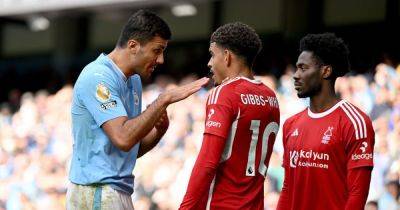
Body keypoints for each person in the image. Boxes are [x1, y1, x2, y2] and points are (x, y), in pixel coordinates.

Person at [66, 10, 209, 210]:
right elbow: (123, 138)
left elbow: (131, 148)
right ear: (133, 46)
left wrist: (159, 131)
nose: (161, 60)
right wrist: (163, 100)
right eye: (157, 50)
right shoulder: (98, 76)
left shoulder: (134, 81)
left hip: (116, 190)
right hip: (96, 190)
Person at [179, 22, 280, 210]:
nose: (209, 63)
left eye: (212, 54)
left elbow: (207, 162)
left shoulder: (224, 93)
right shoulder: (270, 96)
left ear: (226, 56)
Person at [276, 33, 375, 210]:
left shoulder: (355, 122)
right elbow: (288, 188)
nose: (296, 75)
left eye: (303, 68)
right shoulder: (291, 124)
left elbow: (357, 194)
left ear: (326, 71)